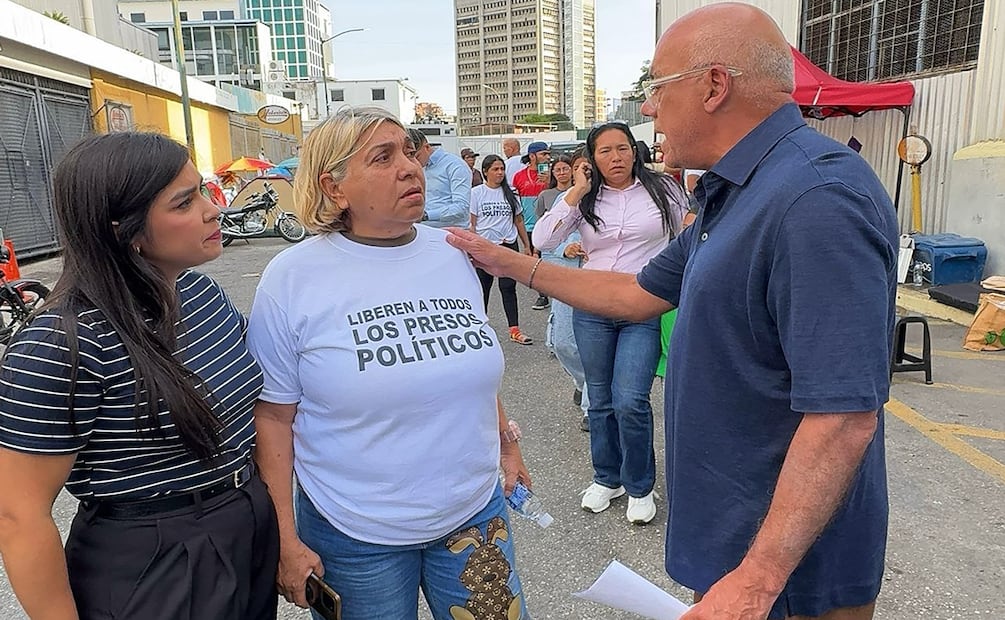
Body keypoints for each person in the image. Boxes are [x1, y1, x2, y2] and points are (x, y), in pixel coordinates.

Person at [445, 3, 897, 618]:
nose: (649, 109)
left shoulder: (814, 198)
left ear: (714, 85)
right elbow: (636, 293)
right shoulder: (737, 189)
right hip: (736, 535)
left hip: (792, 569)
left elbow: (844, 416)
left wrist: (759, 579)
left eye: (656, 88)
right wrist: (513, 264)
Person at [248, 106, 532, 620]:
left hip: (472, 512)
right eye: (383, 157)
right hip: (354, 531)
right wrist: (285, 539)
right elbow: (272, 417)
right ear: (334, 187)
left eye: (408, 150)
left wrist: (507, 447)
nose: (410, 166)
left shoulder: (449, 253)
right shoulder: (293, 277)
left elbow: (466, 366)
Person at [0, 132, 279, 619]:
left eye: (204, 192)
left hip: (246, 517)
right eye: (184, 202)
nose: (214, 211)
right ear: (124, 229)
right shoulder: (62, 343)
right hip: (155, 556)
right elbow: (18, 515)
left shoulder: (200, 293)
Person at [533, 122, 688, 525]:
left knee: (630, 400)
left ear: (634, 151)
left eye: (622, 149)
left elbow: (688, 231)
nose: (615, 158)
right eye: (605, 151)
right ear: (592, 159)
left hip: (642, 307)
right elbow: (542, 241)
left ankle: (640, 485)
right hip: (592, 308)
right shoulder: (585, 199)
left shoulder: (662, 190)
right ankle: (607, 478)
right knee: (599, 400)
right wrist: (578, 191)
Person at [538, 153, 591, 432]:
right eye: (577, 168)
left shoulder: (611, 198)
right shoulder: (563, 200)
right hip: (566, 277)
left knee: (594, 348)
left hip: (599, 280)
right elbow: (543, 244)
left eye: (587, 167)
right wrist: (564, 249)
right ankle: (582, 382)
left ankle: (591, 408)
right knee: (562, 343)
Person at [470, 154, 534, 345]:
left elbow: (519, 220)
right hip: (485, 245)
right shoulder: (477, 193)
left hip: (507, 243)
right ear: (485, 171)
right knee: (483, 288)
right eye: (495, 169)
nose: (500, 173)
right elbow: (472, 223)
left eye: (502, 169)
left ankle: (514, 329)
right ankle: (479, 328)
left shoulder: (511, 192)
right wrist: (472, 247)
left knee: (508, 287)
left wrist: (527, 246)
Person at [512, 141, 552, 310]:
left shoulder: (553, 174)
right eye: (544, 154)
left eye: (548, 154)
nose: (548, 157)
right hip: (529, 225)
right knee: (535, 261)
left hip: (550, 224)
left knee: (551, 260)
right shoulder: (519, 176)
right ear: (532, 156)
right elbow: (515, 203)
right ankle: (542, 294)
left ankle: (556, 292)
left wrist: (550, 181)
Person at [409, 129, 471, 228]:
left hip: (451, 234)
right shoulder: (415, 168)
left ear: (427, 147)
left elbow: (462, 207)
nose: (414, 162)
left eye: (417, 157)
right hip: (421, 230)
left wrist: (426, 216)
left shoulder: (455, 165)